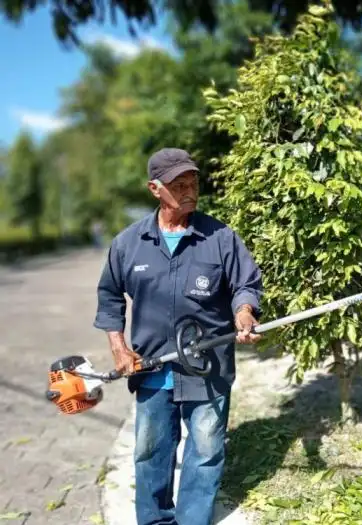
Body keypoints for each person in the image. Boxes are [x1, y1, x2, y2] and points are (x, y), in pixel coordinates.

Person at [93, 147, 263, 525]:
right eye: (178, 184)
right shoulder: (128, 243)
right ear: (155, 189)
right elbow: (109, 296)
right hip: (152, 368)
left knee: (204, 452)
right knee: (151, 452)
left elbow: (245, 284)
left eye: (193, 182)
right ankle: (155, 520)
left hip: (208, 367)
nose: (189, 191)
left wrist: (244, 312)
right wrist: (119, 348)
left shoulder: (220, 237)